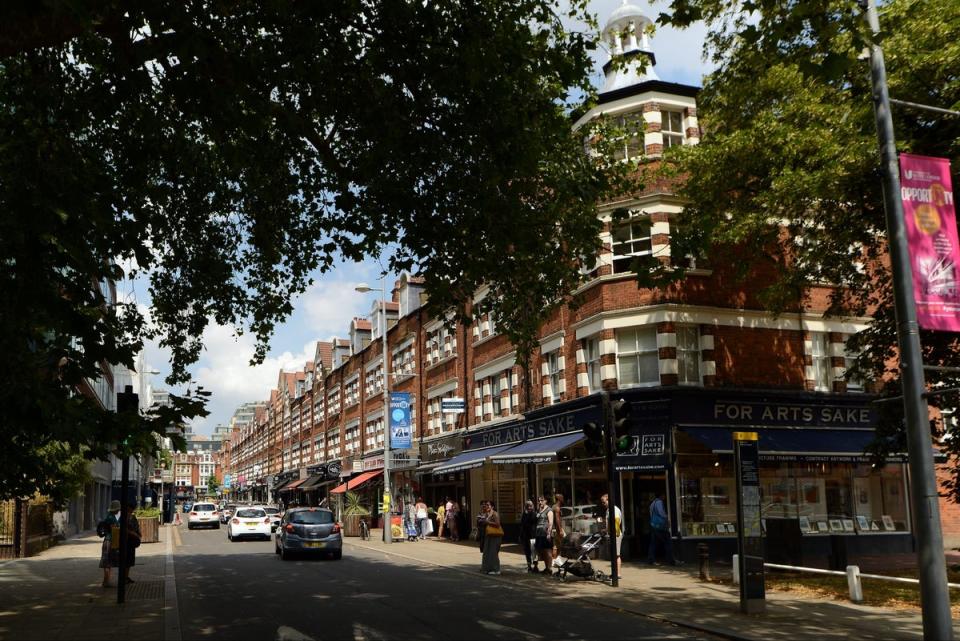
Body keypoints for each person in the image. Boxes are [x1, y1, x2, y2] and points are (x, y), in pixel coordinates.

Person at [648, 491, 679, 566]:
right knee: (668, 542)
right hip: (660, 526)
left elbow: (651, 514)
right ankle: (671, 560)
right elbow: (661, 513)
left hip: (653, 525)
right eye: (664, 495)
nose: (664, 497)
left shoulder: (652, 503)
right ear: (661, 495)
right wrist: (667, 519)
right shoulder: (659, 502)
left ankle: (651, 560)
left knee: (653, 543)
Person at [600, 493, 623, 579]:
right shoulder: (608, 510)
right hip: (611, 534)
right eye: (602, 502)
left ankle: (618, 574)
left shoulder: (614, 510)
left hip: (615, 535)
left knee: (616, 554)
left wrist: (614, 534)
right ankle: (614, 572)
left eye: (604, 502)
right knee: (613, 554)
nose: (603, 504)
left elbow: (616, 523)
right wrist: (606, 530)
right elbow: (609, 524)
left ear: (609, 500)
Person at [98, 500, 121, 587]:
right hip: (114, 541)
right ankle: (106, 581)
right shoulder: (115, 518)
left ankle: (106, 580)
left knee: (107, 561)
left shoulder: (110, 517)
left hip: (108, 540)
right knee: (110, 561)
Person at [123, 499, 142, 584]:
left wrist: (138, 533)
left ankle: (126, 577)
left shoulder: (132, 517)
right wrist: (135, 534)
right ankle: (124, 577)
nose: (132, 510)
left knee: (130, 561)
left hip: (132, 542)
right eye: (131, 509)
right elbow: (125, 529)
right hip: (127, 541)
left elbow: (136, 527)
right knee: (127, 561)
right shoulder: (125, 517)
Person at [481, 500, 503, 575]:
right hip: (488, 535)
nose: (486, 506)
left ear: (492, 506)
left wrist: (488, 522)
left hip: (495, 536)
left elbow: (497, 524)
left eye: (488, 505)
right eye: (486, 505)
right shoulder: (487, 514)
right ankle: (488, 568)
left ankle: (496, 569)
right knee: (487, 552)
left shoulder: (495, 514)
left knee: (493, 553)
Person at [534, 496, 554, 575]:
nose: (540, 502)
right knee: (542, 551)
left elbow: (551, 522)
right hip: (539, 533)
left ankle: (549, 569)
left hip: (545, 534)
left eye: (542, 501)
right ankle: (546, 568)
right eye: (539, 501)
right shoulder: (539, 510)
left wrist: (549, 533)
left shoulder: (549, 510)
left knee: (548, 551)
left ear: (545, 501)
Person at [519, 499, 538, 573]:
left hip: (533, 535)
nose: (529, 507)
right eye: (528, 506)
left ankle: (535, 566)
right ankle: (529, 566)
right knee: (527, 551)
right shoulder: (524, 514)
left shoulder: (534, 514)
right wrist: (520, 535)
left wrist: (528, 514)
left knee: (534, 551)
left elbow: (532, 520)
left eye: (530, 506)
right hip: (525, 536)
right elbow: (522, 525)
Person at [551, 493, 566, 560]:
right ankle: (556, 560)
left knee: (556, 546)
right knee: (560, 545)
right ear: (559, 499)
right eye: (562, 498)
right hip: (557, 529)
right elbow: (557, 519)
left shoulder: (553, 506)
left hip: (554, 529)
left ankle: (555, 560)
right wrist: (560, 530)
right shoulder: (557, 508)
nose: (563, 499)